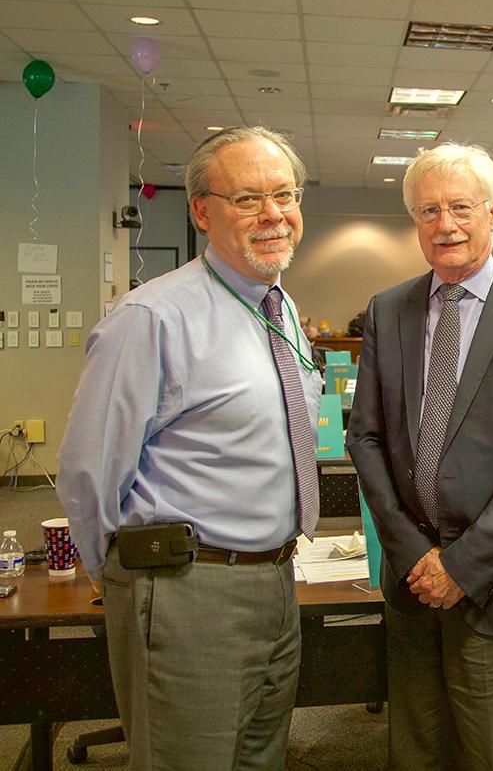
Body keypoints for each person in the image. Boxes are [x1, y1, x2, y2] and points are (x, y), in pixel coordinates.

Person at [57, 125, 321, 769]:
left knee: (261, 758)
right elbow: (89, 471)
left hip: (277, 581)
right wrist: (127, 583)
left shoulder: (277, 308)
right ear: (202, 211)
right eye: (248, 198)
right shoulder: (152, 318)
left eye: (284, 195)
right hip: (187, 589)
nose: (272, 215)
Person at [346, 143, 493, 771]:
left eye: (460, 207)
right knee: (416, 755)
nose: (445, 224)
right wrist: (414, 555)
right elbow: (364, 439)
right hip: (413, 583)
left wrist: (461, 565)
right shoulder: (388, 310)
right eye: (428, 210)